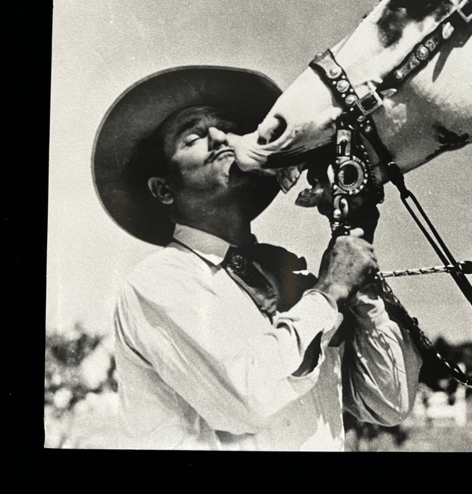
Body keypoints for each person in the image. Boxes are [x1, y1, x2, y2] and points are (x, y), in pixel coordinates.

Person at [92, 65, 422, 450]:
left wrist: (353, 245)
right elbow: (245, 399)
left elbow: (389, 404)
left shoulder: (288, 276)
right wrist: (329, 292)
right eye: (194, 136)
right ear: (164, 189)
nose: (221, 138)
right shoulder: (157, 282)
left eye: (227, 128)